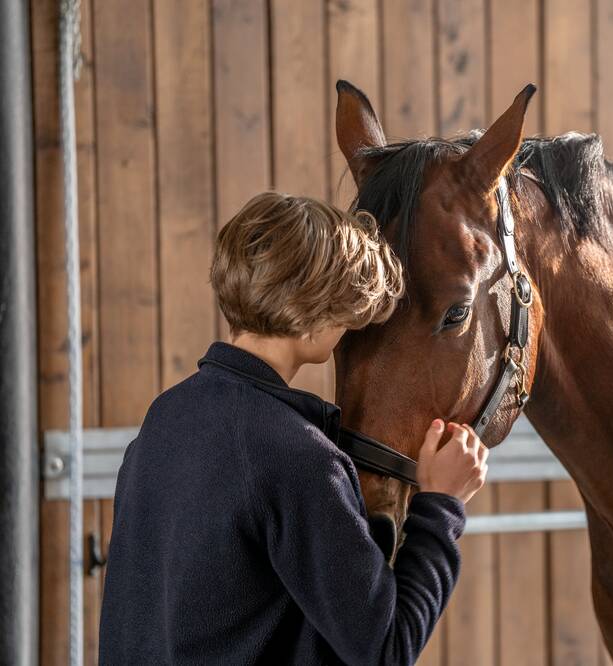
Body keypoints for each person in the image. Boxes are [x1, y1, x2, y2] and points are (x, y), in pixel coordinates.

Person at [98, 192, 488, 665]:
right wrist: (442, 505)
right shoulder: (297, 459)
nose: (353, 326)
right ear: (316, 316)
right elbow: (386, 649)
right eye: (349, 312)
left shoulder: (166, 416)